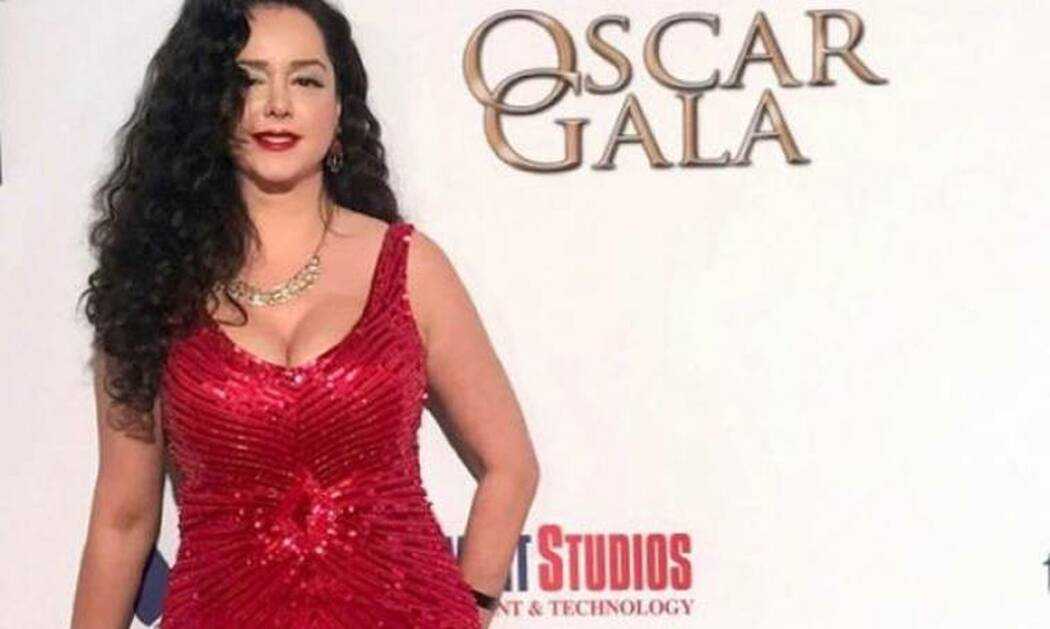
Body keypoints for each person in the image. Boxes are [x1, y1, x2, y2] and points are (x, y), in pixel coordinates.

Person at [70, 1, 540, 626]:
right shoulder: (150, 285)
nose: (278, 105)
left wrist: (467, 609)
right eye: (248, 79)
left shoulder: (409, 266)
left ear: (340, 109)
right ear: (207, 104)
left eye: (306, 80)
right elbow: (123, 520)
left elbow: (510, 465)